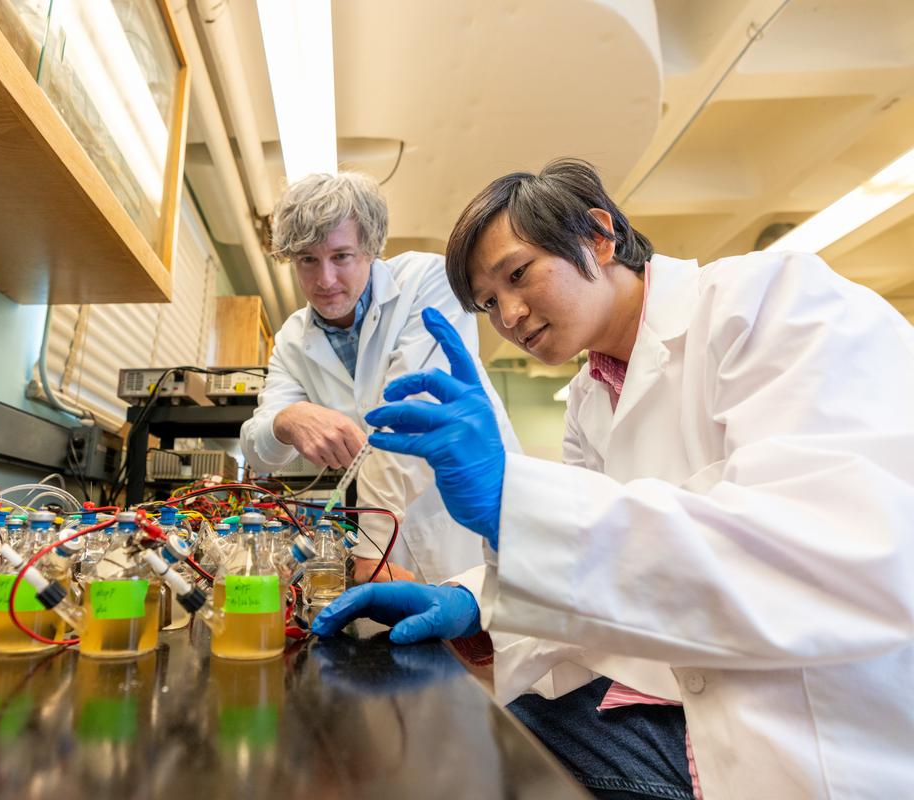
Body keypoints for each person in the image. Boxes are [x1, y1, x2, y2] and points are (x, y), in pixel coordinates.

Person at [313, 159, 914, 799]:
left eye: (517, 275)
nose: (509, 315)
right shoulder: (588, 399)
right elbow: (602, 571)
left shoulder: (772, 303)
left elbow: (840, 560)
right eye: (488, 304)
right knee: (467, 739)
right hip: (677, 699)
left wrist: (511, 505)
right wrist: (474, 603)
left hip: (811, 738)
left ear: (598, 237)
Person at [240, 171, 520, 585]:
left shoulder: (428, 282)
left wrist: (371, 548)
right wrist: (287, 420)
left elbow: (414, 417)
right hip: (390, 548)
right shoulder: (292, 340)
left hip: (467, 525)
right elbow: (258, 450)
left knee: (493, 637)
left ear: (370, 248)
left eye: (341, 256)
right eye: (308, 260)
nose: (325, 280)